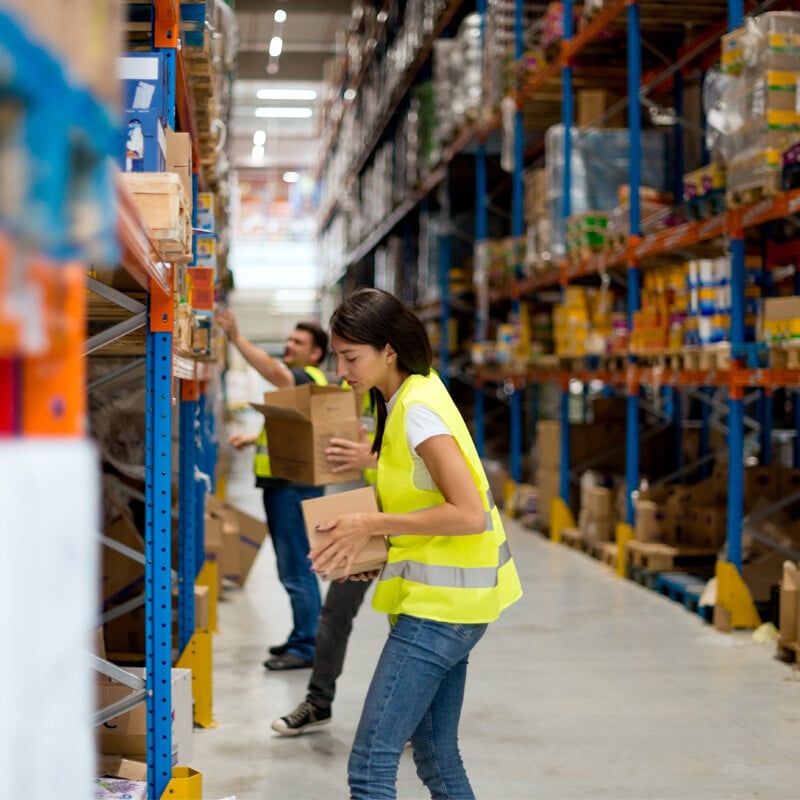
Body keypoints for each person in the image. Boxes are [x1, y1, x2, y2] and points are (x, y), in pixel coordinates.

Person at [309, 288, 523, 800]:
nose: (341, 370)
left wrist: (371, 522)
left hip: (441, 613)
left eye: (350, 356)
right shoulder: (407, 395)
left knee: (370, 766)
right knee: (435, 756)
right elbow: (421, 496)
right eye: (338, 355)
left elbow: (469, 513)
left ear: (389, 350)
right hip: (448, 605)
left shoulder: (419, 409)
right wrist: (375, 551)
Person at [216, 308, 329, 671]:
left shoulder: (303, 376)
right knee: (292, 566)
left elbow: (276, 373)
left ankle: (307, 646)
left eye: (299, 342)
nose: (289, 344)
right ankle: (302, 637)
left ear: (316, 354)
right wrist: (254, 437)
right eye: (289, 339)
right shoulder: (302, 386)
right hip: (285, 486)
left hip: (292, 489)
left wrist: (236, 337)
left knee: (297, 567)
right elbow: (293, 432)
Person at [271, 393, 378, 736]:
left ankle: (420, 722)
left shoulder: (419, 399)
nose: (343, 370)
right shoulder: (359, 400)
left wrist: (377, 459)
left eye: (350, 356)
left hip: (413, 527)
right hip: (369, 521)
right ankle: (318, 703)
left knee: (410, 624)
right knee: (335, 611)